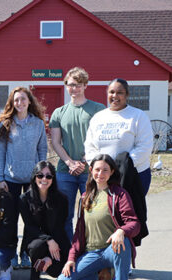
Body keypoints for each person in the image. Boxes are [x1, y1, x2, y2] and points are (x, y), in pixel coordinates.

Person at [53, 154, 140, 280]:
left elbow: (134, 223)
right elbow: (79, 233)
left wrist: (121, 230)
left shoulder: (119, 194)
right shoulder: (86, 197)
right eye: (97, 169)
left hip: (111, 250)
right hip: (91, 253)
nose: (101, 174)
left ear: (112, 172)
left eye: (105, 170)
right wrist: (71, 258)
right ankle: (99, 276)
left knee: (123, 241)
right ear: (91, 170)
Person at [0, 86, 47, 269]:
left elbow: (42, 151)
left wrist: (43, 177)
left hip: (32, 180)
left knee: (31, 219)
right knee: (11, 219)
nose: (20, 103)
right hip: (10, 179)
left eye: (23, 99)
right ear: (12, 103)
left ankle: (25, 253)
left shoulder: (38, 124)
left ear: (29, 101)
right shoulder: (6, 124)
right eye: (16, 100)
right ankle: (10, 254)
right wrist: (0, 178)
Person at [50, 67, 105, 240]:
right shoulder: (59, 113)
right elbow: (56, 142)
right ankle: (68, 252)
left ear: (85, 85)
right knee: (64, 215)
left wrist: (83, 162)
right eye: (71, 85)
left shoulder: (98, 109)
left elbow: (101, 139)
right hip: (65, 171)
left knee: (90, 214)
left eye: (78, 85)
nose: (74, 89)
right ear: (66, 85)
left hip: (91, 171)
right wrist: (70, 163)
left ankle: (88, 251)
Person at [84, 78, 153, 195]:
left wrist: (120, 168)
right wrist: (101, 168)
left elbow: (145, 147)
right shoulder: (98, 117)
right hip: (104, 177)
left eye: (120, 92)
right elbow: (89, 146)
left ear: (127, 95)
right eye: (111, 92)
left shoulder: (138, 116)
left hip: (134, 175)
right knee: (105, 212)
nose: (115, 95)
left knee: (130, 212)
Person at [19, 161, 70, 280]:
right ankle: (35, 274)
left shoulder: (62, 199)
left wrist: (54, 246)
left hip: (57, 238)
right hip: (35, 240)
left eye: (48, 176)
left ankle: (46, 261)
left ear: (53, 179)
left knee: (57, 271)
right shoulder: (24, 199)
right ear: (34, 177)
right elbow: (30, 226)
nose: (44, 179)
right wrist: (49, 240)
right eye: (40, 175)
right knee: (37, 247)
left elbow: (60, 226)